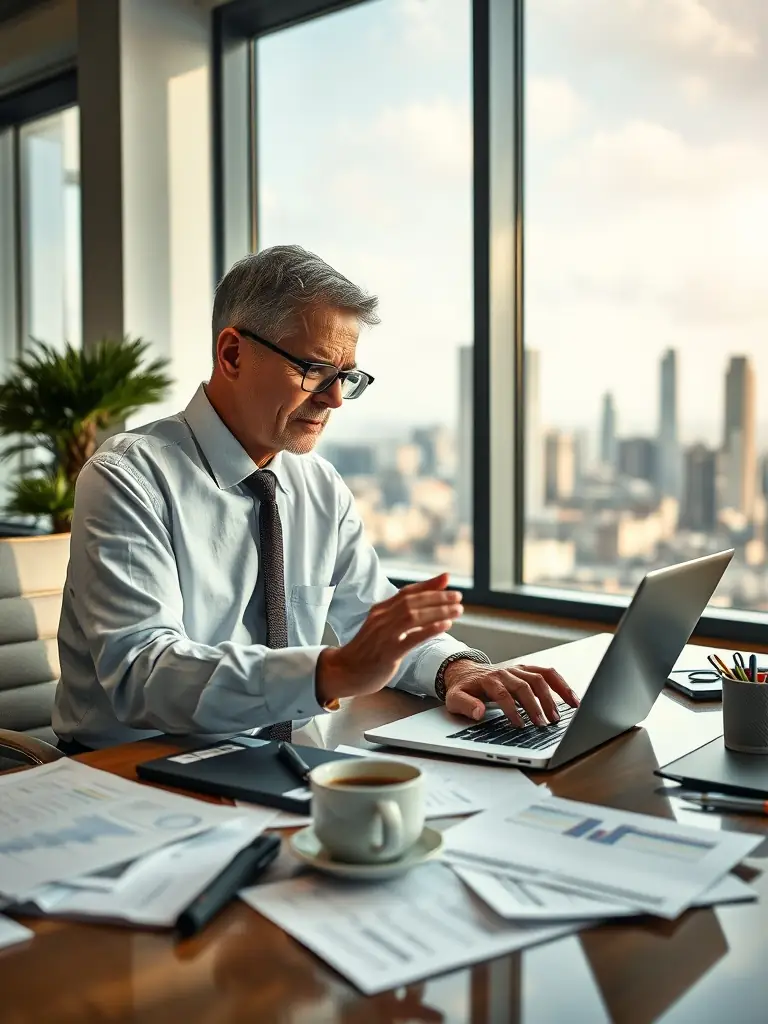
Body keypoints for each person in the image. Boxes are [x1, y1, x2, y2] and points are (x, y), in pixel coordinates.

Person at [54, 245, 577, 752]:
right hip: (134, 772)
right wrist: (330, 672)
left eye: (345, 378)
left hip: (279, 762)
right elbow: (142, 674)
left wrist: (456, 668)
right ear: (232, 353)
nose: (332, 399)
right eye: (314, 370)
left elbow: (374, 622)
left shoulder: (318, 486)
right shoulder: (127, 478)